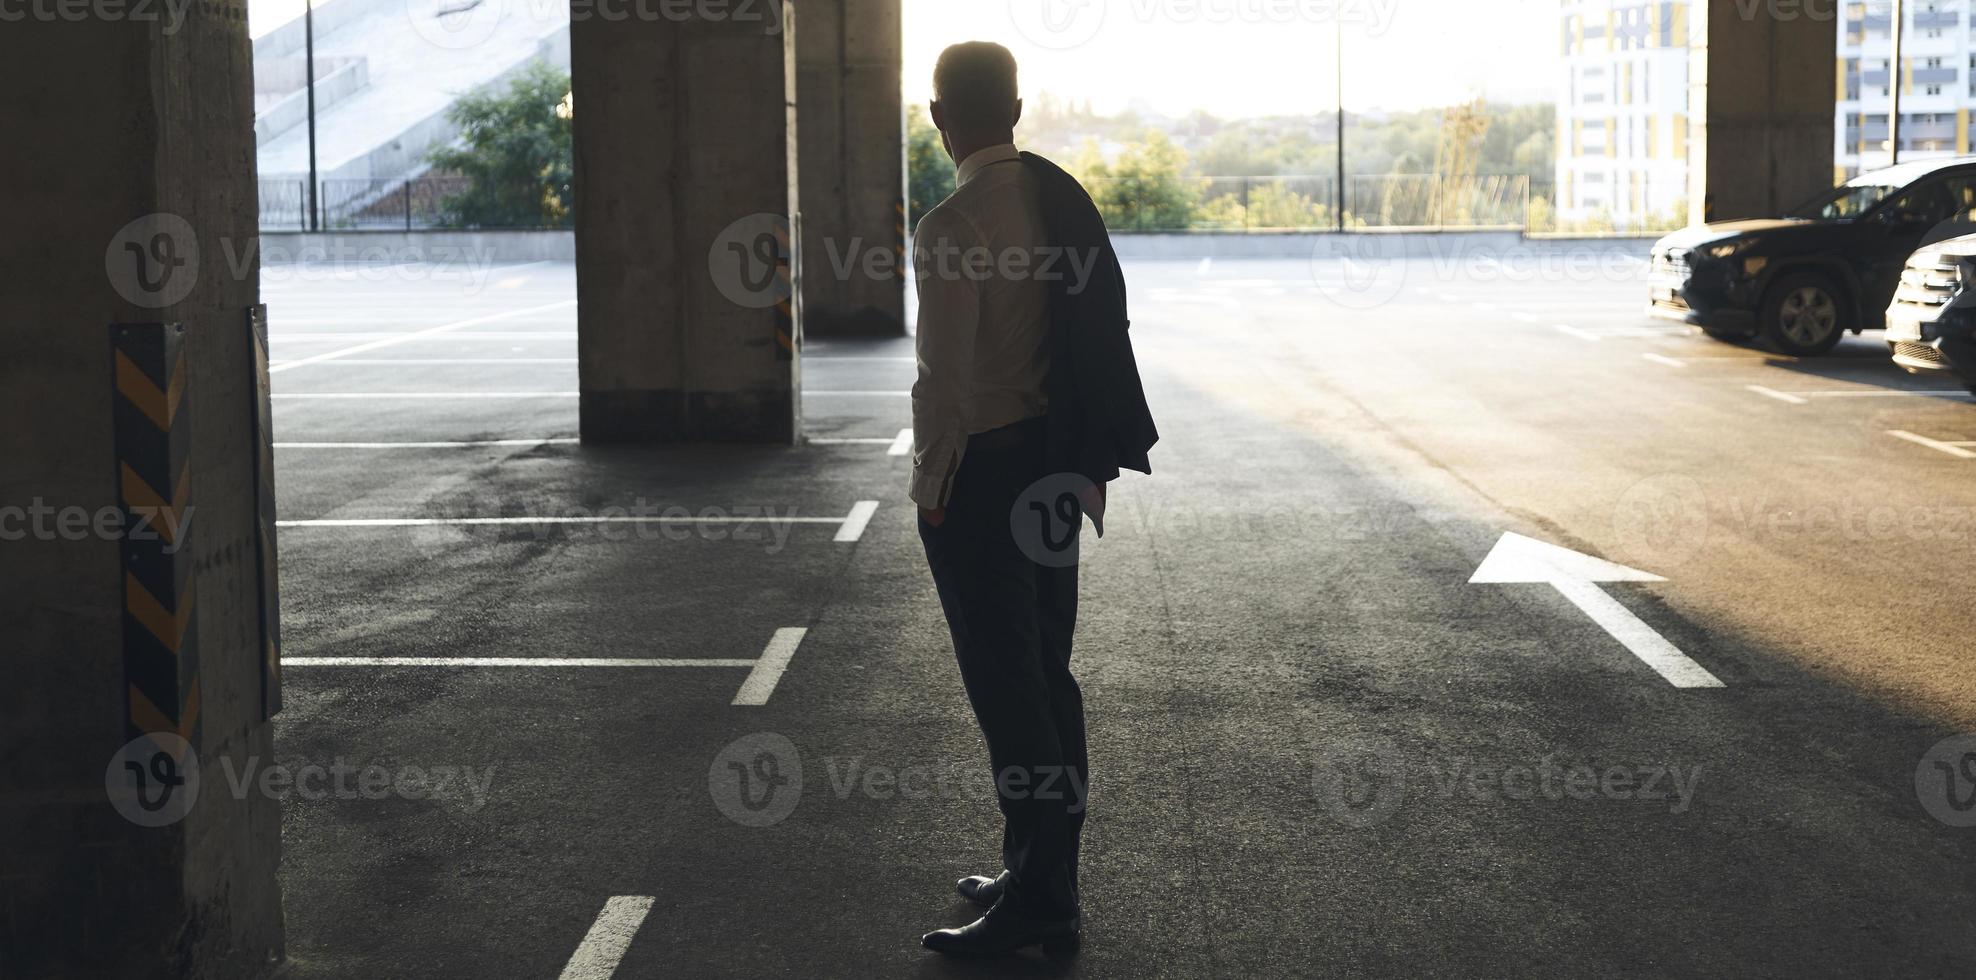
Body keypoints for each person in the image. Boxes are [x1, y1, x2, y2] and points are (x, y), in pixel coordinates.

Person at [910, 41, 1157, 957]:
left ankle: (1043, 905)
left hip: (983, 475)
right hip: (1055, 470)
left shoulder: (951, 225)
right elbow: (1097, 337)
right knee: (1046, 677)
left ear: (941, 120)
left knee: (1006, 689)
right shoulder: (1064, 202)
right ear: (1015, 110)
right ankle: (1040, 868)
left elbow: (945, 384)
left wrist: (931, 488)